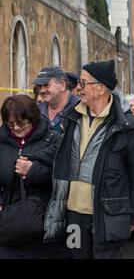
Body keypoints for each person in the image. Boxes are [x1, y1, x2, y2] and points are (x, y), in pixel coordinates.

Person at [43, 60, 134, 259]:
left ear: (100, 89)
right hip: (73, 214)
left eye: (83, 83)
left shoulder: (127, 128)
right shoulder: (71, 119)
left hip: (108, 214)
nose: (78, 88)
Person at [0, 95, 61, 258]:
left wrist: (33, 171)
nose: (16, 128)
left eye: (21, 123)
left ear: (33, 119)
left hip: (43, 223)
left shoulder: (53, 140)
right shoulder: (2, 142)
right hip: (9, 223)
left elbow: (64, 177)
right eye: (10, 124)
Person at [32, 66, 79, 133]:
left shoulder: (79, 109)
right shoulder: (37, 111)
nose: (42, 90)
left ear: (62, 85)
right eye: (39, 86)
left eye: (46, 85)